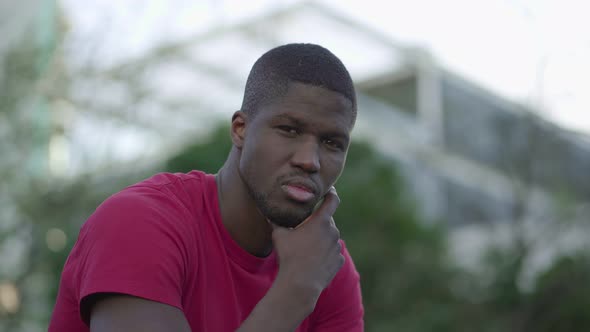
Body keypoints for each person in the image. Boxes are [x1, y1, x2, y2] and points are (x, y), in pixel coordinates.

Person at [49, 43, 364, 331]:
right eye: (289, 129)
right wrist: (296, 288)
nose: (310, 160)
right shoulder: (139, 222)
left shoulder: (325, 263)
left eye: (332, 143)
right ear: (240, 130)